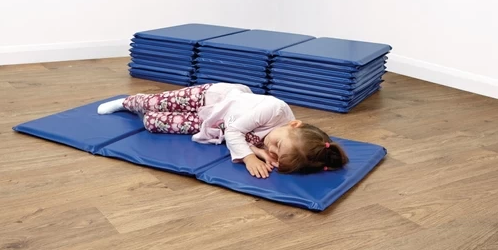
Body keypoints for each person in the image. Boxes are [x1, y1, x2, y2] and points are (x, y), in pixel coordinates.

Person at [97, 83, 349, 179]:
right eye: (277, 145)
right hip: (211, 98)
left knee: (153, 124)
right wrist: (249, 157)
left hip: (214, 122)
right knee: (157, 102)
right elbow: (235, 131)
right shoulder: (275, 110)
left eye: (276, 154)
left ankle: (143, 114)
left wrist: (261, 152)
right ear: (294, 125)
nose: (271, 148)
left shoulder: (279, 138)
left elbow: (246, 137)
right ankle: (127, 102)